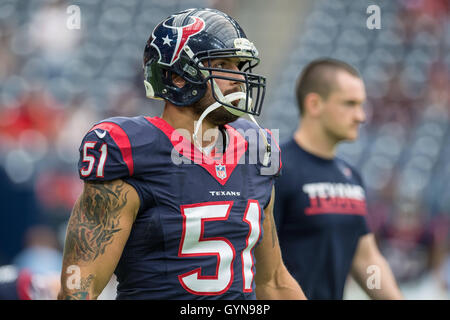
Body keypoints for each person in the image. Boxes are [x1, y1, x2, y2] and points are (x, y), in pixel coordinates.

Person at [57, 8, 305, 300]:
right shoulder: (130, 151)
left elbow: (273, 281)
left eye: (240, 66)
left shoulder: (256, 151)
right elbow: (78, 289)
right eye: (223, 64)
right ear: (177, 77)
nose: (238, 79)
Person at [274, 58, 403, 300]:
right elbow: (260, 268)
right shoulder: (276, 170)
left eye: (362, 105)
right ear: (314, 104)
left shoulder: (350, 176)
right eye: (350, 104)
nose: (361, 116)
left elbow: (366, 258)